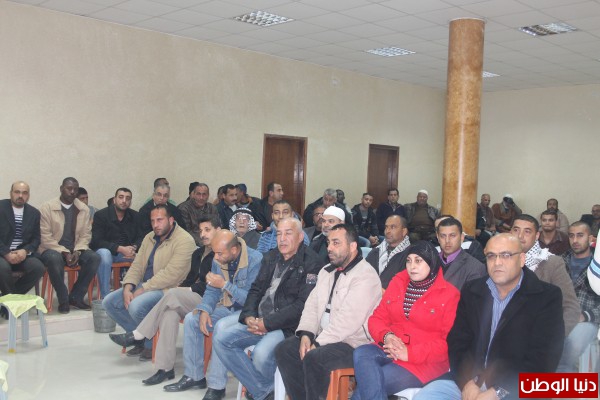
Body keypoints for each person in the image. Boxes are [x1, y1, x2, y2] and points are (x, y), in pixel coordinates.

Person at [413, 234, 565, 400]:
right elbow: (457, 342)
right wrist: (467, 383)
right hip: (468, 380)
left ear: (522, 259)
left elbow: (543, 359)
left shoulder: (545, 297)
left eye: (506, 255)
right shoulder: (472, 290)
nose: (497, 262)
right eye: (491, 256)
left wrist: (498, 392)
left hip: (515, 387)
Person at [213, 218, 323, 400]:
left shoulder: (312, 263)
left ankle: (260, 391)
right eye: (279, 234)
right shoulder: (271, 257)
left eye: (288, 233)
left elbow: (302, 306)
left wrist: (267, 323)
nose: (282, 238)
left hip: (287, 326)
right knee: (222, 340)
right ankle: (265, 391)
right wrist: (249, 316)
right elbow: (256, 290)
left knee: (261, 354)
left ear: (300, 237)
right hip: (260, 319)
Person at [108, 215, 222, 385]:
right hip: (192, 297)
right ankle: (165, 369)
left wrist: (187, 289)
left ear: (218, 230)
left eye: (208, 230)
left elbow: (214, 285)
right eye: (201, 231)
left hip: (211, 301)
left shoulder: (221, 253)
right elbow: (190, 279)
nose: (203, 234)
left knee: (172, 294)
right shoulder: (198, 253)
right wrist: (185, 288)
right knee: (169, 314)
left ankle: (139, 334)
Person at [275, 224, 381, 400]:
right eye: (328, 243)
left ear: (353, 246)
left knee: (314, 357)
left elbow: (347, 322)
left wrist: (317, 343)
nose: (329, 248)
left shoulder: (365, 276)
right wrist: (307, 334)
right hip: (323, 336)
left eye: (336, 243)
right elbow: (311, 305)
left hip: (353, 343)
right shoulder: (326, 271)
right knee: (285, 349)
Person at [352, 241, 460, 399]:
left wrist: (410, 354)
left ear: (431, 262)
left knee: (364, 390)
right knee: (362, 352)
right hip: (391, 347)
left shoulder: (449, 295)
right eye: (409, 261)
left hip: (423, 363)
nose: (412, 266)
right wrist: (387, 336)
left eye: (418, 261)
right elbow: (376, 318)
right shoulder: (398, 282)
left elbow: (447, 344)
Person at [172, 229, 263, 399]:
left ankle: (217, 386)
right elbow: (212, 290)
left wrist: (225, 285)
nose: (216, 257)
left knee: (221, 327)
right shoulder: (218, 258)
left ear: (234, 250)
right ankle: (194, 376)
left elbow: (252, 300)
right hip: (227, 307)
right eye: (214, 252)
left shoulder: (255, 259)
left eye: (220, 253)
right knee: (192, 318)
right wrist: (205, 309)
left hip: (247, 313)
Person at [103, 204, 196, 360]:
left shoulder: (185, 240)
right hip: (146, 285)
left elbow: (172, 275)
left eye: (159, 220)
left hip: (169, 289)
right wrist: (128, 287)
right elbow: (137, 265)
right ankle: (139, 338)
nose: (155, 225)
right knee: (109, 302)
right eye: (153, 221)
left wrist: (143, 289)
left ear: (171, 220)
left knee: (136, 305)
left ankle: (151, 344)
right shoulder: (149, 237)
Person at [510, 215, 580, 337]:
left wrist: (554, 337)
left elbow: (570, 306)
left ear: (537, 235)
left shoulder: (552, 263)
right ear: (510, 232)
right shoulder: (499, 260)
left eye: (527, 231)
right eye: (516, 230)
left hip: (540, 333)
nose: (520, 236)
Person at [39, 177, 100, 313]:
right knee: (54, 259)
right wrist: (64, 252)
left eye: (75, 189)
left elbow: (86, 235)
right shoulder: (47, 207)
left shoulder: (83, 209)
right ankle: (63, 299)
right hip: (52, 248)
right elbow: (45, 237)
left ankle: (75, 297)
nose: (72, 192)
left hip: (76, 248)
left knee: (94, 258)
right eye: (69, 188)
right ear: (61, 189)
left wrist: (78, 251)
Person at [557, 221, 599, 372]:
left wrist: (585, 315)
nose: (575, 240)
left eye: (580, 235)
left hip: (588, 318)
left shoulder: (597, 264)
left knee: (570, 347)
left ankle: (561, 383)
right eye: (571, 236)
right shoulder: (559, 261)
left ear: (591, 238)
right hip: (559, 316)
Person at [91, 187, 143, 299]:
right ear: (114, 199)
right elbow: (96, 241)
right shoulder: (101, 215)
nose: (124, 201)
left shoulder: (135, 216)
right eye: (121, 197)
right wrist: (120, 248)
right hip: (106, 252)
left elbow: (141, 237)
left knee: (145, 258)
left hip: (127, 253)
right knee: (105, 254)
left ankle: (138, 296)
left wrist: (134, 248)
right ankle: (105, 297)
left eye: (127, 198)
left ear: (130, 201)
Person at [0, 182, 45, 304]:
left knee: (38, 268)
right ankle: (12, 303)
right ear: (11, 193)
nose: (20, 195)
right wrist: (6, 253)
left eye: (24, 193)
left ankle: (9, 300)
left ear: (28, 195)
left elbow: (36, 238)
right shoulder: (1, 207)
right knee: (2, 268)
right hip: (2, 254)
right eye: (17, 192)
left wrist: (25, 250)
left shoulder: (34, 213)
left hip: (22, 254)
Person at [436, 217, 487, 290]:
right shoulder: (430, 262)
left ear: (462, 237)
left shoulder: (475, 267)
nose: (447, 240)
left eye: (452, 235)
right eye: (443, 236)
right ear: (438, 238)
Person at [365, 215, 411, 289]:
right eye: (386, 227)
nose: (388, 231)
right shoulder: (376, 252)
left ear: (404, 231)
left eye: (393, 227)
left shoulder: (410, 256)